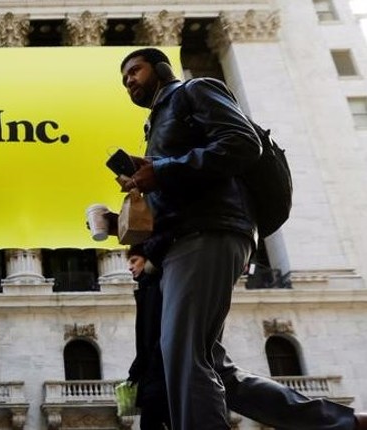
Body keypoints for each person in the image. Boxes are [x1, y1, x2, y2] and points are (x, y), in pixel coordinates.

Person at [117, 47, 367, 430]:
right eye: (124, 79)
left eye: (134, 71)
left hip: (208, 231)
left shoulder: (195, 90)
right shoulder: (156, 124)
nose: (129, 81)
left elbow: (243, 143)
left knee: (184, 354)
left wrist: (163, 170)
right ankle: (342, 424)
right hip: (182, 239)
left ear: (161, 68)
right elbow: (177, 184)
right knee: (210, 364)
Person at [125, 244, 170, 430]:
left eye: (134, 261)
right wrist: (134, 373)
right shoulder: (146, 289)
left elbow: (155, 334)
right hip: (154, 375)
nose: (130, 267)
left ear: (148, 260)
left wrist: (147, 368)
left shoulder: (156, 289)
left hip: (160, 375)